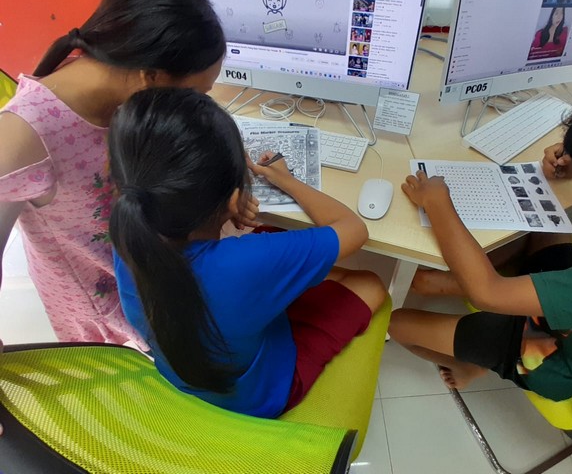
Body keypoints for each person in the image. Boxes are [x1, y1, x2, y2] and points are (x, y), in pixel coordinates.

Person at [108, 87, 388, 418]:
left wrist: (222, 212)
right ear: (231, 199)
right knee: (371, 284)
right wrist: (286, 180)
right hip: (260, 395)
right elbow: (354, 230)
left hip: (185, 376)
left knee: (275, 241)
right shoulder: (247, 263)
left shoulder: (129, 234)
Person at [0, 0, 258, 345]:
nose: (201, 103)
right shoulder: (24, 134)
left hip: (156, 273)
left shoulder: (126, 89)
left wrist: (220, 192)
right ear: (150, 77)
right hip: (108, 313)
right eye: (196, 93)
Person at [388, 74, 572, 402]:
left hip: (547, 356)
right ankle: (446, 283)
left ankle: (468, 366)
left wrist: (437, 203)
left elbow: (487, 293)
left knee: (395, 322)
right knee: (543, 218)